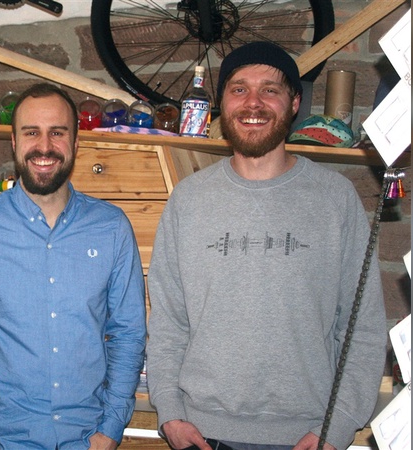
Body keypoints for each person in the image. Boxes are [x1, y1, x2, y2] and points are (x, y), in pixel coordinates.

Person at [146, 42, 387, 450]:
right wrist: (169, 411)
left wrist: (340, 424)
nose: (253, 102)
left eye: (270, 90)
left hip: (306, 436)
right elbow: (168, 321)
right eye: (238, 89)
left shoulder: (335, 199)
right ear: (222, 102)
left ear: (294, 103)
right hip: (201, 434)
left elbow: (362, 327)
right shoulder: (188, 199)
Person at [0, 83, 147, 450]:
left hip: (88, 439)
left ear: (76, 144)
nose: (44, 146)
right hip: (1, 439)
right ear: (15, 143)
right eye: (31, 132)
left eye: (58, 133)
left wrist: (111, 429)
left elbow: (128, 335)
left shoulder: (111, 227)